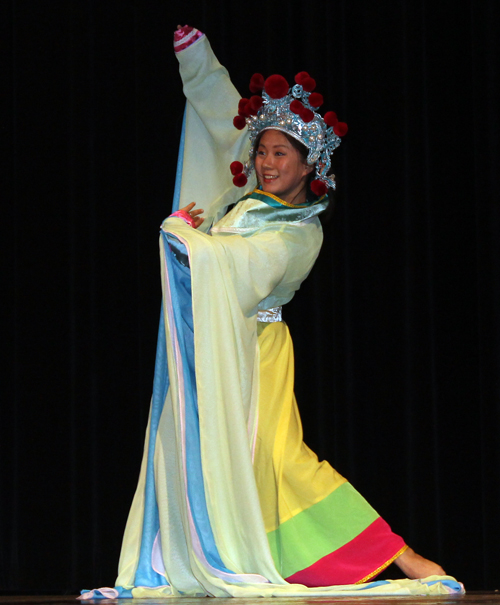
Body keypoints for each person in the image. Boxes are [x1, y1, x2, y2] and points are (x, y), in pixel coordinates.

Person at [80, 26, 460, 599]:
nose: (264, 160)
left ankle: (402, 556)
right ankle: (166, 566)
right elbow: (225, 117)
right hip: (213, 349)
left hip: (255, 357)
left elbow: (240, 265)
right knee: (196, 457)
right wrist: (197, 62)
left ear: (309, 166)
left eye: (280, 152)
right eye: (262, 151)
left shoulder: (297, 235)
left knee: (282, 465)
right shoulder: (251, 201)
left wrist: (190, 238)